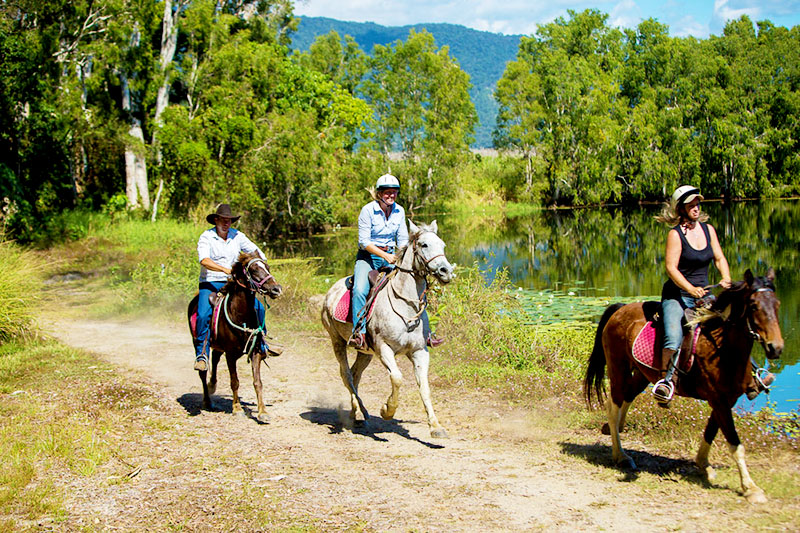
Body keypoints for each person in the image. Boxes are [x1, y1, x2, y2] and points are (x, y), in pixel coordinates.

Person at [348, 174, 442, 350]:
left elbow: (402, 240)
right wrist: (385, 256)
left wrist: (406, 257)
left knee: (416, 286)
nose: (391, 196)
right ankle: (358, 333)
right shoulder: (367, 210)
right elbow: (364, 241)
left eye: (394, 192)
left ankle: (427, 332)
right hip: (368, 258)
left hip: (392, 256)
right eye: (387, 192)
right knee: (360, 290)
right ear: (379, 194)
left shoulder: (399, 211)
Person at [194, 204, 267, 371]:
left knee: (259, 308)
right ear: (216, 220)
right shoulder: (207, 237)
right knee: (204, 314)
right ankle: (202, 354)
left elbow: (256, 251)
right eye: (223, 220)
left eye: (229, 221)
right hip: (211, 282)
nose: (227, 223)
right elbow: (204, 260)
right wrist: (224, 269)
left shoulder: (237, 236)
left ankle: (261, 345)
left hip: (233, 283)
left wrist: (259, 262)